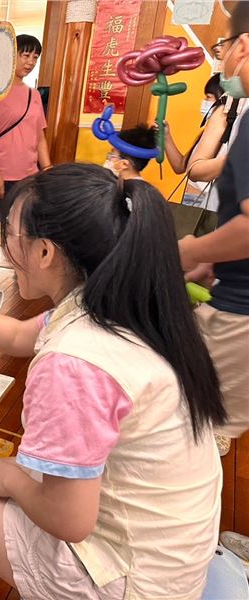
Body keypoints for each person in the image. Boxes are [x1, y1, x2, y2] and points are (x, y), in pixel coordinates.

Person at [0, 164, 225, 600]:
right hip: (167, 547)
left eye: (7, 235)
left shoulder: (75, 361)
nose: (5, 246)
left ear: (45, 252)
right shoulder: (118, 300)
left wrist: (9, 479)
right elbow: (16, 335)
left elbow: (70, 521)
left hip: (131, 577)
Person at [180, 1, 249, 446]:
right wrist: (216, 262)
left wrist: (192, 250)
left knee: (200, 431)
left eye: (222, 45)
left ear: (242, 47)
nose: (221, 56)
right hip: (233, 290)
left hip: (241, 312)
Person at [0, 34, 51, 300]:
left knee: (26, 227)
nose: (30, 61)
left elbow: (39, 136)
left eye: (35, 57)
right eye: (25, 55)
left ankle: (25, 273)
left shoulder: (33, 95)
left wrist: (48, 169)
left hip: (29, 175)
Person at [163, 75, 227, 209]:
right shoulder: (206, 134)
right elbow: (181, 166)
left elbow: (195, 172)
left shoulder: (228, 135)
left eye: (209, 97)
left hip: (207, 201)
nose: (205, 102)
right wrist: (166, 136)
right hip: (189, 197)